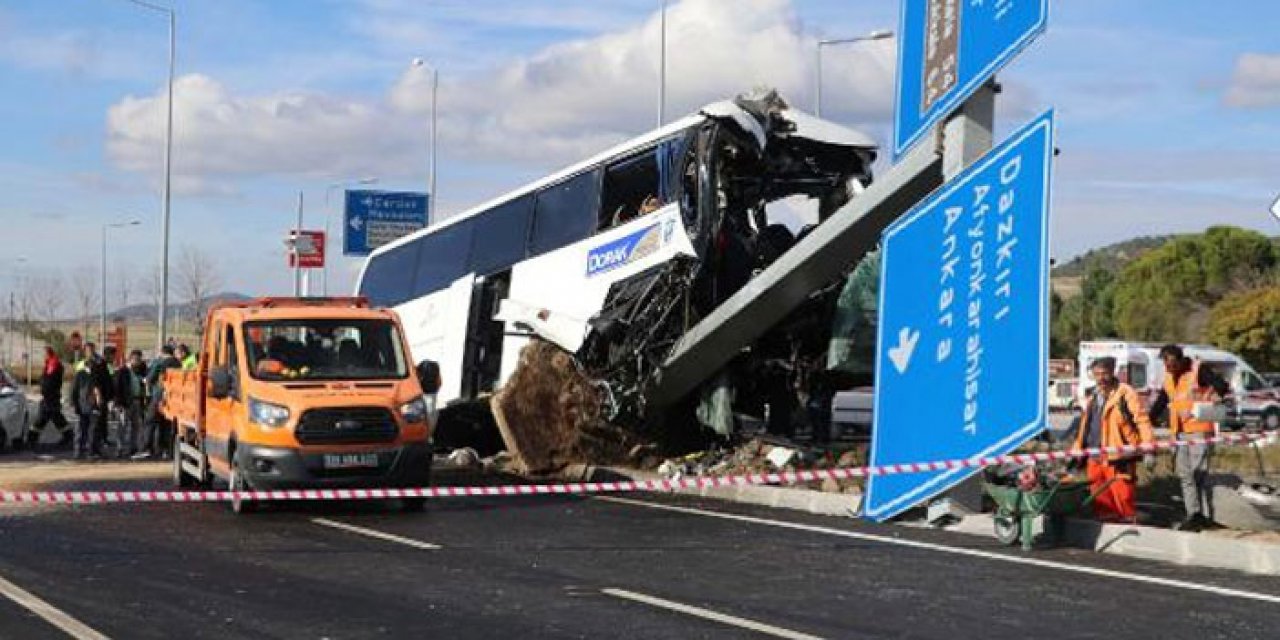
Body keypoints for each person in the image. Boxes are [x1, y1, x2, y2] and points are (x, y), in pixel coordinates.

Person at [1150, 344, 1231, 532]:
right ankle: (1193, 514)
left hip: (1200, 430)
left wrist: (1213, 397)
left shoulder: (1198, 370)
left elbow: (1221, 385)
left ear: (1179, 360)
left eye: (1171, 364)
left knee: (1197, 474)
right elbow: (1162, 400)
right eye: (1165, 364)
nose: (1168, 368)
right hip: (1179, 432)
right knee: (1185, 475)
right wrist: (1148, 419)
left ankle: (1201, 515)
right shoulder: (1169, 376)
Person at [1071, 357, 1155, 523]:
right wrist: (1078, 448)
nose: (1101, 378)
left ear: (1112, 373)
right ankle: (1107, 525)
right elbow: (1085, 425)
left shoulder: (1125, 393)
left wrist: (1149, 448)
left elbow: (1142, 420)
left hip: (1119, 455)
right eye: (1096, 374)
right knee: (1100, 497)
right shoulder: (1092, 396)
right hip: (1095, 455)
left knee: (1123, 494)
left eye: (1104, 374)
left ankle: (1129, 526)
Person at [139, 345, 182, 460]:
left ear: (162, 352)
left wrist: (145, 380)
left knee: (150, 421)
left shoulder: (161, 363)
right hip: (174, 397)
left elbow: (151, 378)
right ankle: (165, 450)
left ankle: (146, 448)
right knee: (166, 424)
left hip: (160, 396)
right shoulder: (178, 363)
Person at [70, 342, 111, 460]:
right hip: (86, 405)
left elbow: (103, 386)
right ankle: (81, 451)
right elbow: (74, 390)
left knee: (92, 429)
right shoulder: (81, 373)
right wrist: (74, 404)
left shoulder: (100, 367)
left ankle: (90, 451)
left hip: (91, 405)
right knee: (83, 429)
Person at [25, 346, 72, 450]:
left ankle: (31, 439)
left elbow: (49, 381)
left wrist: (43, 389)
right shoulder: (50, 362)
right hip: (50, 396)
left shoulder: (53, 363)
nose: (42, 356)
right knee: (57, 418)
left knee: (42, 418)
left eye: (43, 354)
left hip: (50, 397)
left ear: (47, 353)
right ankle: (69, 437)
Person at [112, 350, 146, 459]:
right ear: (130, 359)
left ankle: (133, 448)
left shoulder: (140, 371)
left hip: (136, 401)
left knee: (136, 426)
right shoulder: (122, 371)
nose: (138, 362)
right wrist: (118, 404)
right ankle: (120, 448)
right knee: (122, 426)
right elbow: (117, 388)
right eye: (136, 359)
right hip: (125, 403)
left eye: (140, 360)